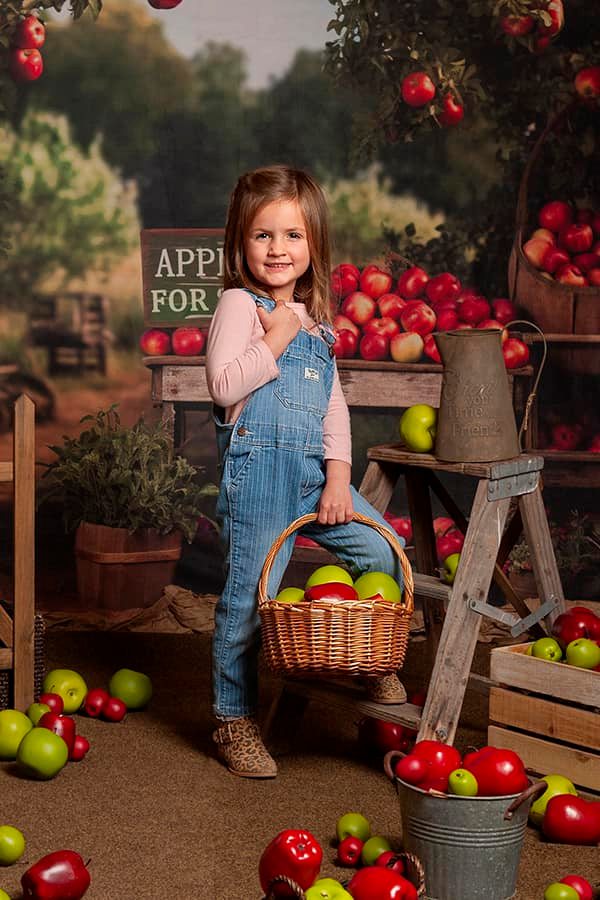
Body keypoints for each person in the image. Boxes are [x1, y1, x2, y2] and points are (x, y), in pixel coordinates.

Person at [206, 165, 407, 779]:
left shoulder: (319, 328)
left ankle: (367, 661)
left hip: (315, 475)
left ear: (313, 243)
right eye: (263, 236)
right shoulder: (239, 305)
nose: (278, 249)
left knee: (382, 549)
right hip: (260, 473)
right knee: (246, 598)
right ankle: (231, 717)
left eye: (292, 235)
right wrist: (277, 336)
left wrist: (340, 477)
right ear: (241, 243)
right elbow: (222, 384)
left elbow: (334, 412)